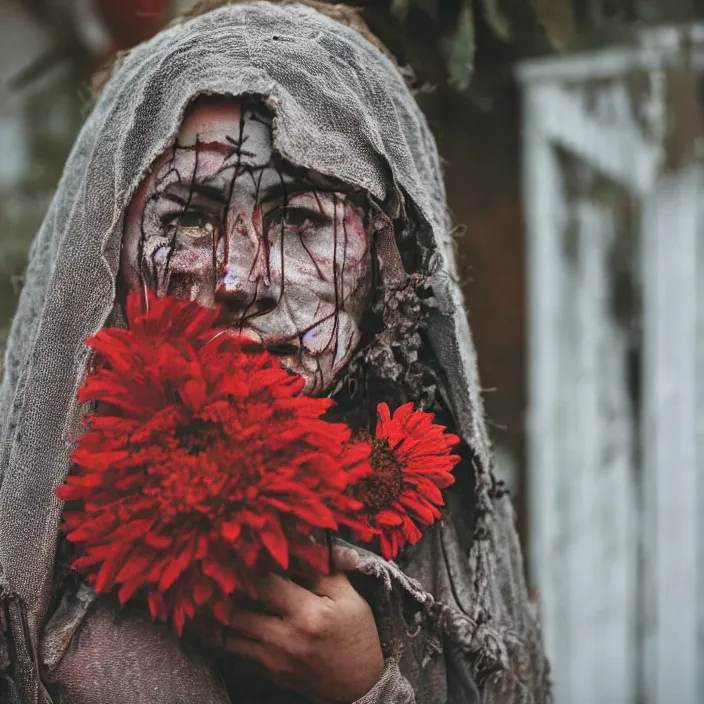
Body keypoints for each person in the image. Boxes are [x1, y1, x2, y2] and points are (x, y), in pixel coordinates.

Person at [0, 2, 550, 702]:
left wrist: (364, 683)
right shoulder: (34, 582)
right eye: (190, 219)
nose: (240, 280)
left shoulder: (442, 557)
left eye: (301, 219)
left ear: (390, 263)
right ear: (104, 257)